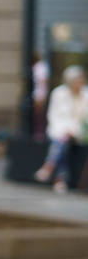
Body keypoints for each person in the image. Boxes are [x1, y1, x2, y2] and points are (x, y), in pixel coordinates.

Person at [34, 65, 88, 193]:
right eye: (76, 81)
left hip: (80, 131)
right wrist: (66, 130)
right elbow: (54, 116)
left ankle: (50, 167)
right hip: (60, 130)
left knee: (61, 142)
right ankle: (60, 179)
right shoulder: (59, 93)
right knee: (63, 142)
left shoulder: (85, 94)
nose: (79, 84)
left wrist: (74, 130)